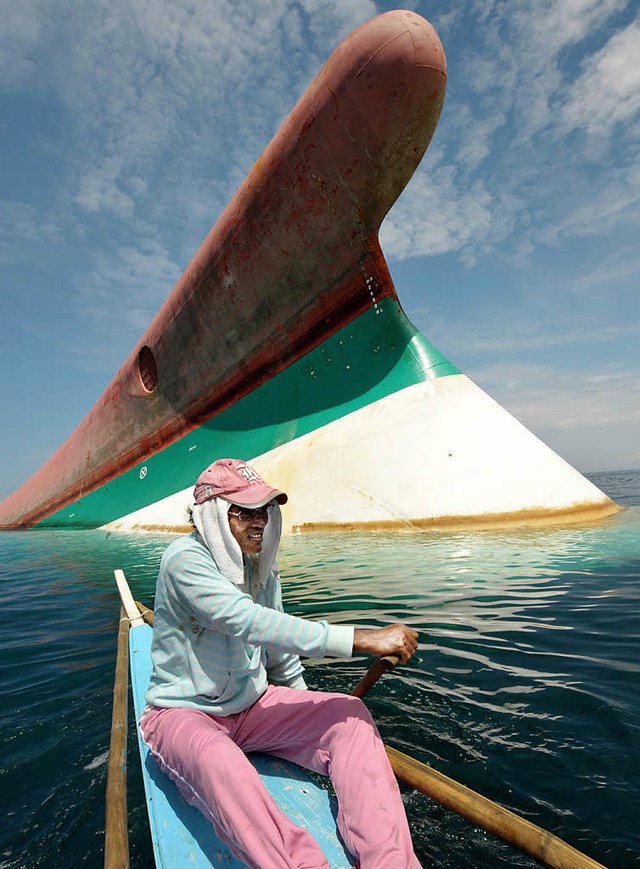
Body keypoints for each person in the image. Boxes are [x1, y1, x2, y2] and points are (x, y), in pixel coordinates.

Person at [140, 458, 421, 869]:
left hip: (251, 707)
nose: (259, 521)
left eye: (264, 511)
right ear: (214, 514)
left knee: (348, 713)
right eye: (245, 511)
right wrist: (363, 639)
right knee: (219, 761)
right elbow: (247, 621)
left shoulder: (264, 574)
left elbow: (281, 658)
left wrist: (312, 712)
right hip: (185, 713)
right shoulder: (184, 559)